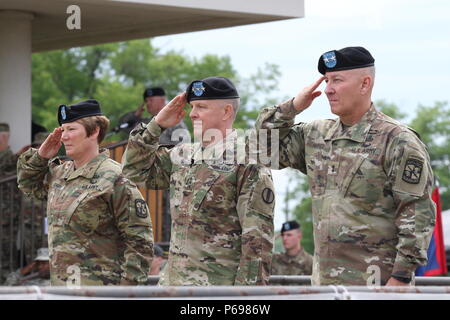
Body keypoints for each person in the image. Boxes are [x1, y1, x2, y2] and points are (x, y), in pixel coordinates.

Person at [255, 46, 436, 286]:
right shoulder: (316, 135)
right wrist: (293, 107)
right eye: (327, 80)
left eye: (337, 80)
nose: (328, 89)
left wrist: (401, 276)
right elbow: (261, 148)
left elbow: (417, 211)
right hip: (325, 286)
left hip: (377, 285)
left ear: (364, 84)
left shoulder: (396, 140)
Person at [122, 76, 275, 286]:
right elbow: (132, 171)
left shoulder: (248, 162)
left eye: (201, 107)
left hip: (215, 291)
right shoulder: (182, 156)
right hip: (171, 287)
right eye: (192, 106)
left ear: (226, 111)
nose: (193, 114)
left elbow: (257, 242)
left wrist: (245, 299)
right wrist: (156, 124)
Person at [17, 99, 154, 286]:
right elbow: (26, 183)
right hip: (61, 289)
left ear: (95, 131)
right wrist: (41, 157)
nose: (64, 136)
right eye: (62, 130)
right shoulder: (58, 173)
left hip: (101, 292)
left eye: (71, 129)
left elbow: (139, 243)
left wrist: (125, 293)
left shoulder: (115, 177)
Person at [117, 87, 189, 144]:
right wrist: (134, 115)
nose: (147, 103)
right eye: (146, 101)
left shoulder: (174, 121)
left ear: (162, 100)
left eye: (151, 100)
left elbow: (183, 147)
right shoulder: (146, 122)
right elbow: (123, 127)